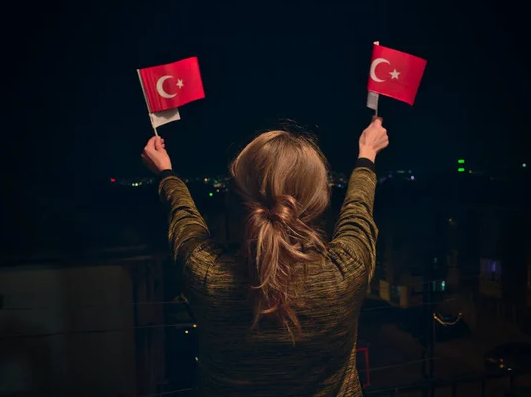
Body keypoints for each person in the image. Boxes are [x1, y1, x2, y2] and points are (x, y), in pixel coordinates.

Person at [141, 118, 388, 396]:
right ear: (320, 200)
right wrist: (367, 153)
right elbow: (358, 209)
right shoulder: (346, 271)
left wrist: (166, 172)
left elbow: (185, 219)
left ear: (234, 200)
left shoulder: (206, 275)